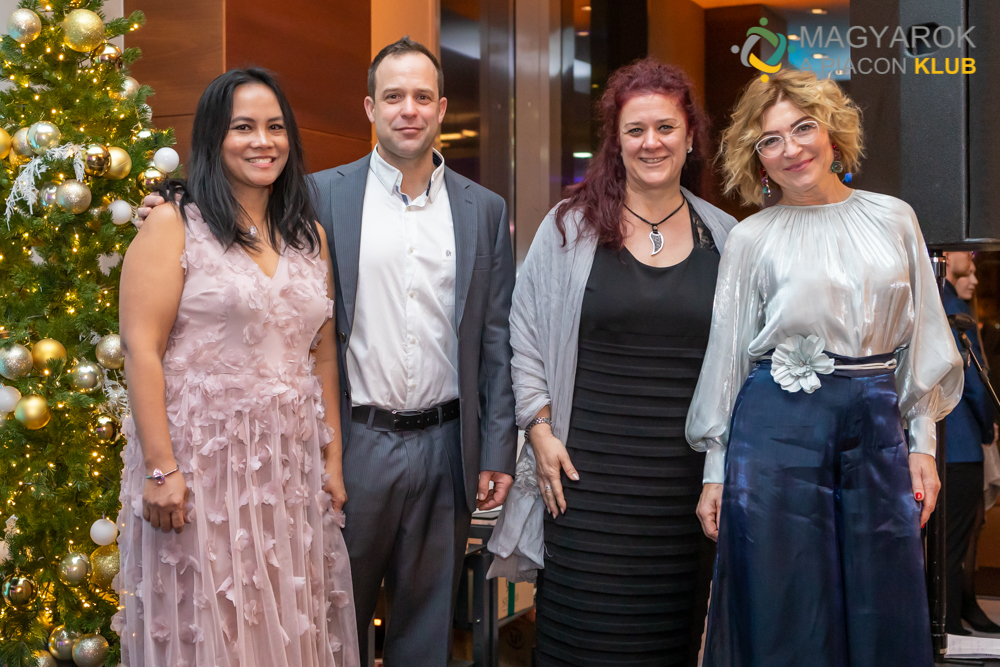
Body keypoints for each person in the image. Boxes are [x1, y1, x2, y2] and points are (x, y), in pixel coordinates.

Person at [139, 38, 517, 665]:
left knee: (427, 632)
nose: (409, 110)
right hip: (350, 443)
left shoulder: (484, 210)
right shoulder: (314, 198)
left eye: (422, 97)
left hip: (448, 448)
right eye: (393, 97)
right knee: (327, 618)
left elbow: (495, 338)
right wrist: (171, 202)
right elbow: (228, 220)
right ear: (370, 108)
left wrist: (497, 447)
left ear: (442, 108)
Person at [687, 68, 964, 667]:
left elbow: (922, 340)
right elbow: (728, 356)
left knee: (882, 598)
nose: (791, 149)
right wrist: (715, 471)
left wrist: (923, 443)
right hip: (776, 431)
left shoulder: (895, 217)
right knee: (787, 603)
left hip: (876, 426)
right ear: (758, 159)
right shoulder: (751, 238)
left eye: (802, 128)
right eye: (770, 140)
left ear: (832, 132)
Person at [490, 58, 737, 667]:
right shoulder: (568, 228)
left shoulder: (729, 238)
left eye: (666, 127)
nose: (652, 142)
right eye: (635, 130)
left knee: (667, 642)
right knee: (580, 639)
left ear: (690, 136)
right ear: (616, 141)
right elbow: (523, 333)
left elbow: (741, 360)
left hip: (681, 486)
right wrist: (538, 429)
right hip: (583, 480)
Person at [117, 69, 359, 666]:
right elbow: (140, 348)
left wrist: (331, 457)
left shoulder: (309, 236)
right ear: (212, 137)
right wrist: (160, 468)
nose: (263, 141)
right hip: (202, 467)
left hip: (289, 467)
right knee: (213, 626)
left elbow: (322, 352)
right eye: (243, 127)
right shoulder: (174, 223)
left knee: (287, 620)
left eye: (275, 127)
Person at [942, 253, 1000, 635]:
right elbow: (975, 381)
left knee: (948, 540)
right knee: (954, 541)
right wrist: (988, 427)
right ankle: (948, 623)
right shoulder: (952, 308)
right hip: (959, 440)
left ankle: (954, 615)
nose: (974, 263)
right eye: (971, 256)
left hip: (941, 441)